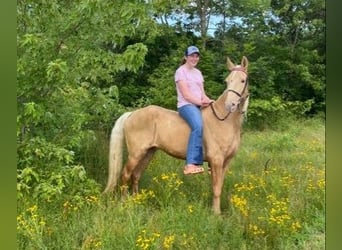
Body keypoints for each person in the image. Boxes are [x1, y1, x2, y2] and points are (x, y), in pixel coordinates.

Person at [174, 45, 214, 175]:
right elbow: (186, 94)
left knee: (212, 125)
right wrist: (200, 102)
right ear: (186, 57)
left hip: (198, 104)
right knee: (197, 126)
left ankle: (211, 161)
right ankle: (190, 164)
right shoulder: (181, 71)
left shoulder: (198, 73)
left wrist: (210, 101)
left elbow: (203, 94)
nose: (194, 58)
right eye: (191, 55)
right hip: (186, 105)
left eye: (196, 56)